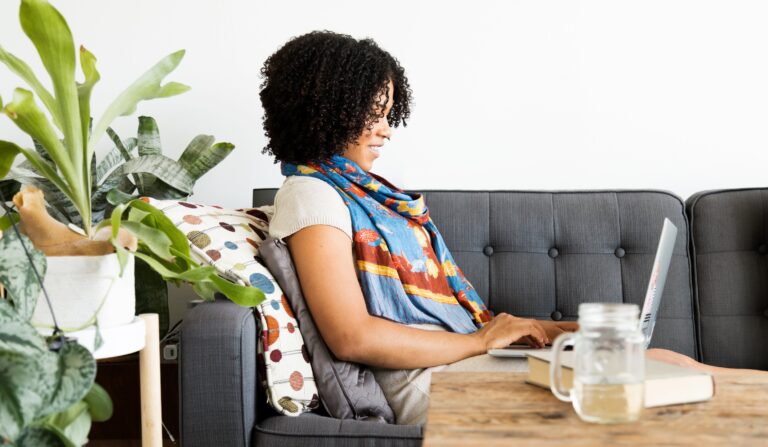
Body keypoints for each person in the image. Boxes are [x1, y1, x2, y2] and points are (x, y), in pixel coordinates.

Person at [259, 31, 760, 425]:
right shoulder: (313, 194)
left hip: (457, 362)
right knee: (665, 386)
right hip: (432, 383)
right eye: (372, 115)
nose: (385, 130)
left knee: (670, 361)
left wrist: (549, 330)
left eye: (388, 115)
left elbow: (443, 325)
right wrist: (483, 341)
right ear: (322, 110)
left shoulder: (365, 195)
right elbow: (353, 337)